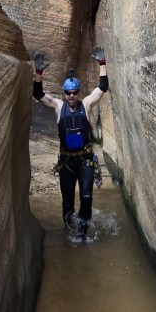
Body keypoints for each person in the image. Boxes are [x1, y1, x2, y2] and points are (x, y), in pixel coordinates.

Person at [32, 47, 109, 238]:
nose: (72, 96)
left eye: (74, 92)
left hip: (85, 161)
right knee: (67, 202)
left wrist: (102, 63)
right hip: (67, 163)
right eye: (68, 93)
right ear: (64, 93)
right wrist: (38, 73)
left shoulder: (86, 104)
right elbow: (38, 94)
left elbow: (102, 87)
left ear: (78, 92)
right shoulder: (58, 106)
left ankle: (82, 234)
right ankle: (69, 232)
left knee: (86, 198)